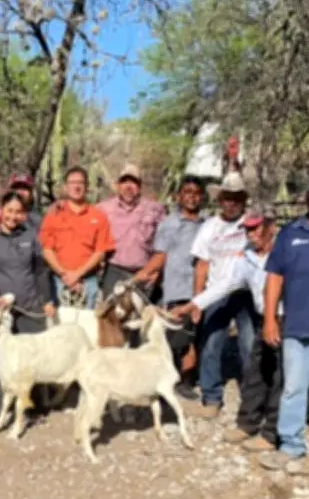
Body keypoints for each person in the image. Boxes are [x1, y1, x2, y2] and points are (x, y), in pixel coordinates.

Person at [171, 204, 278, 452]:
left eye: (255, 229)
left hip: (286, 318)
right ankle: (249, 422)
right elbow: (225, 285)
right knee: (255, 364)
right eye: (248, 230)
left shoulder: (284, 252)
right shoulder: (248, 258)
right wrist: (192, 304)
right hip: (266, 317)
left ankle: (276, 429)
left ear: (271, 228)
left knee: (281, 373)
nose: (251, 235)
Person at [0, 191, 55, 431]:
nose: (13, 216)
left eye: (18, 212)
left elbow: (40, 271)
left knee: (34, 359)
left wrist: (47, 300)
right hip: (1, 310)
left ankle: (31, 409)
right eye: (9, 210)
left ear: (24, 214)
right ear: (1, 210)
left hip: (30, 305)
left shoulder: (31, 236)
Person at [188, 172, 255, 418]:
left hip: (245, 292)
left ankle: (252, 395)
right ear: (220, 200)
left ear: (243, 200)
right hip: (216, 291)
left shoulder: (251, 225)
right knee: (211, 343)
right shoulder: (209, 228)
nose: (231, 203)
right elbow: (202, 265)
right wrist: (197, 301)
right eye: (227, 198)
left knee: (249, 344)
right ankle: (211, 396)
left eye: (236, 198)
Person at [259, 184, 309, 475]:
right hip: (299, 325)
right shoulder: (291, 234)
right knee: (294, 387)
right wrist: (270, 318)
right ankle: (291, 446)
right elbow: (274, 278)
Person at [134, 176, 205, 396]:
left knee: (196, 337)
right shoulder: (169, 225)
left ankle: (187, 381)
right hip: (177, 287)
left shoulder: (208, 225)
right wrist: (141, 275)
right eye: (187, 192)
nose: (191, 197)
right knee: (178, 337)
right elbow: (160, 256)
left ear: (202, 197)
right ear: (178, 197)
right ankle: (171, 380)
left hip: (203, 289)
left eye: (196, 193)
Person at [38, 166, 115, 309]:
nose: (76, 186)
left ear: (87, 186)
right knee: (60, 329)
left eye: (80, 182)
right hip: (59, 281)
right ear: (66, 187)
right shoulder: (53, 215)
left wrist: (77, 275)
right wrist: (64, 274)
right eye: (72, 182)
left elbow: (100, 252)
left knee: (86, 329)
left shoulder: (98, 216)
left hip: (88, 282)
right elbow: (46, 249)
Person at [98, 164, 166, 298]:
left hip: (144, 273)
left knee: (141, 317)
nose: (128, 186)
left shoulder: (155, 209)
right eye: (124, 182)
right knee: (111, 315)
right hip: (114, 271)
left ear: (139, 186)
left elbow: (166, 243)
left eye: (133, 182)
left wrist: (159, 271)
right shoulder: (103, 208)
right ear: (118, 185)